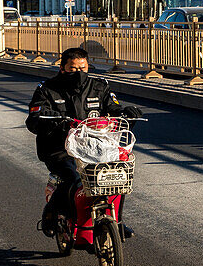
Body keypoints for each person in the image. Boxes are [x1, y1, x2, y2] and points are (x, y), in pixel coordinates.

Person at [26, 47, 142, 236]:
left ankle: (117, 221)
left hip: (96, 147)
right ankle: (53, 212)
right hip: (60, 148)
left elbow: (113, 109)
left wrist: (127, 114)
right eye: (73, 69)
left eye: (83, 68)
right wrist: (52, 121)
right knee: (75, 178)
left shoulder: (99, 86)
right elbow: (33, 120)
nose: (79, 73)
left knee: (118, 177)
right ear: (62, 68)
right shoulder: (47, 90)